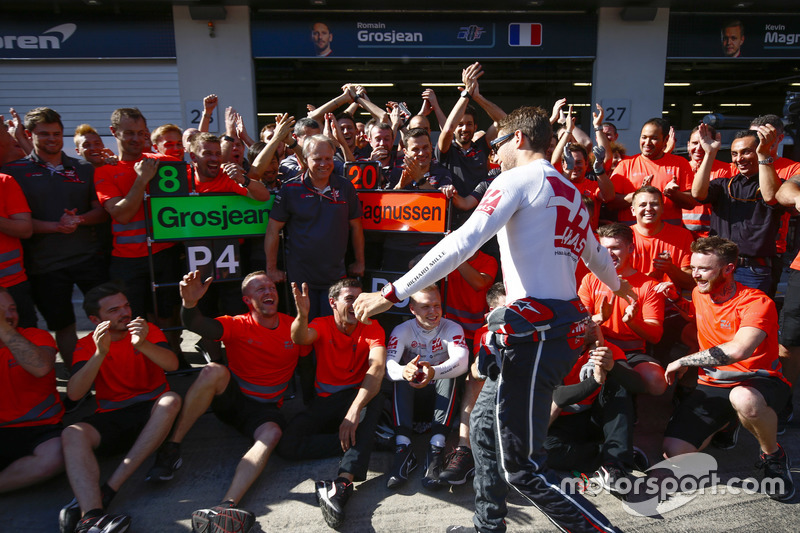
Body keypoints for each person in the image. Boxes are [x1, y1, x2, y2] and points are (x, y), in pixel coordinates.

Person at [353, 105, 633, 533]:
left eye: (497, 144)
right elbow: (594, 251)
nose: (493, 154)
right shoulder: (569, 189)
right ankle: (489, 525)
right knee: (483, 426)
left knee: (523, 468)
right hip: (541, 329)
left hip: (537, 332)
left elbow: (462, 242)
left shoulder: (517, 179)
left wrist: (391, 293)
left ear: (518, 139)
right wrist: (619, 286)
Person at [146, 270, 309, 532]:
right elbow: (197, 324)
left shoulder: (293, 326)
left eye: (271, 288)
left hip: (264, 411)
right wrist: (189, 304)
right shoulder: (237, 323)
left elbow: (309, 364)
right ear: (247, 300)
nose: (268, 291)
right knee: (212, 370)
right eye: (259, 289)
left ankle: (226, 506)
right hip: (232, 400)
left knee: (273, 432)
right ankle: (171, 448)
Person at [662, 237, 794, 501]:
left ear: (729, 269)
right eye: (694, 267)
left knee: (743, 398)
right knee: (674, 451)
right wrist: (677, 299)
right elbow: (702, 315)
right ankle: (727, 423)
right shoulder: (701, 292)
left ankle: (773, 456)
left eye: (704, 269)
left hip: (758, 381)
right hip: (713, 384)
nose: (696, 275)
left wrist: (683, 361)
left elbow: (738, 350)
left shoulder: (757, 302)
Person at [59, 282, 181, 533]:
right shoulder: (86, 345)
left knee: (171, 399)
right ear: (95, 319)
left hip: (154, 414)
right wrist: (99, 353)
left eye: (126, 306)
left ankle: (109, 489)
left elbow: (172, 365)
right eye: (114, 310)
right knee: (72, 432)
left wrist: (142, 344)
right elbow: (74, 393)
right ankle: (92, 517)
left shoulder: (147, 330)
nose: (125, 313)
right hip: (114, 416)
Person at [1, 107, 109, 369]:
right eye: (44, 134)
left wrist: (79, 220)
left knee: (106, 319)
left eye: (57, 133)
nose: (52, 139)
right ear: (28, 134)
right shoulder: (13, 171)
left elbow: (101, 212)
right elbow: (21, 225)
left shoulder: (84, 168)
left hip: (88, 258)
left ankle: (108, 371)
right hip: (44, 265)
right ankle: (76, 375)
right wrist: (56, 226)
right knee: (63, 326)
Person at [278, 278, 386, 529]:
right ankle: (367, 440)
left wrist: (353, 411)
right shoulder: (321, 324)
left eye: (360, 299)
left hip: (354, 396)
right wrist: (302, 315)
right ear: (332, 303)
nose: (356, 305)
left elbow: (377, 367)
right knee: (286, 446)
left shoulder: (372, 326)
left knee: (375, 395)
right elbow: (300, 337)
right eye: (349, 299)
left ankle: (342, 483)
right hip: (324, 401)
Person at [265, 135, 364, 320]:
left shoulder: (345, 187)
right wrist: (271, 268)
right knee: (305, 329)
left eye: (328, 158)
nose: (323, 164)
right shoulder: (290, 188)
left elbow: (356, 227)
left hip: (336, 278)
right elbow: (272, 229)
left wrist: (360, 261)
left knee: (332, 329)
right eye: (317, 159)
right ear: (306, 158)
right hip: (301, 278)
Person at [384, 285, 469, 490]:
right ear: (412, 309)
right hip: (412, 404)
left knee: (451, 373)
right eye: (425, 307)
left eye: (436, 305)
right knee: (403, 375)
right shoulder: (402, 330)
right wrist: (404, 371)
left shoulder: (452, 328)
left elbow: (463, 360)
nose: (433, 312)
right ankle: (403, 449)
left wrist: (434, 372)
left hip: (441, 404)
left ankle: (436, 449)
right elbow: (389, 367)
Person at [691, 126, 783, 294]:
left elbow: (771, 197)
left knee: (752, 319)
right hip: (719, 268)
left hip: (754, 271)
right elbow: (697, 193)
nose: (740, 159)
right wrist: (710, 153)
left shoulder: (775, 184)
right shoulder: (724, 185)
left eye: (746, 152)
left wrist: (764, 154)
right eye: (734, 154)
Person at [579, 223, 666, 396]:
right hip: (596, 347)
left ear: (631, 248)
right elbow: (579, 326)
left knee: (657, 381)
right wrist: (600, 317)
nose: (609, 254)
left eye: (615, 248)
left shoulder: (648, 285)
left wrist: (634, 322)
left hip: (631, 353)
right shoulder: (589, 280)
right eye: (604, 249)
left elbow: (655, 335)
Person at [0, 287, 63, 494]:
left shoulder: (37, 336)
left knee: (54, 460)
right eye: (1, 310)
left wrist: (2, 326)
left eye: (12, 309)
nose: (9, 315)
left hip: (41, 428)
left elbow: (40, 367)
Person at [609, 118, 695, 227]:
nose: (647, 143)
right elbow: (611, 203)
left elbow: (691, 203)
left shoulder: (680, 163)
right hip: (631, 237)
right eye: (644, 137)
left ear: (666, 139)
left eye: (654, 138)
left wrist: (674, 194)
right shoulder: (625, 165)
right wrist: (637, 195)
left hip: (669, 236)